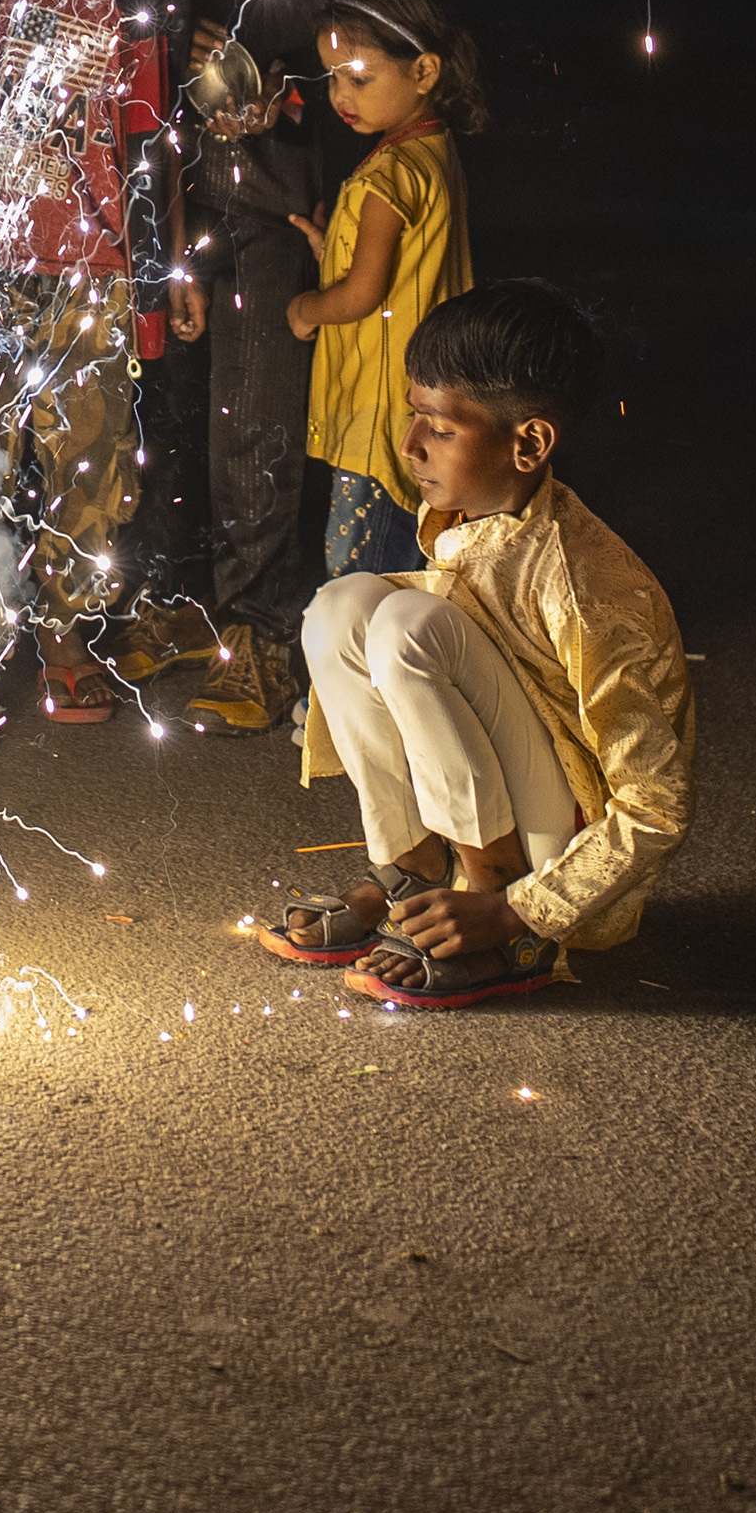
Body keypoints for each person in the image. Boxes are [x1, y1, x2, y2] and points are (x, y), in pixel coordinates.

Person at [269, 282, 695, 1013]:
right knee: (340, 605)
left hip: (561, 858)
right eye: (413, 417)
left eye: (437, 426)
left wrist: (520, 907)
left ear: (528, 442)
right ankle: (413, 872)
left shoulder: (586, 585)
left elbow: (657, 804)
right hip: (510, 786)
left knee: (409, 625)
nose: (410, 445)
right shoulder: (476, 518)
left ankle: (490, 897)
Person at [156, 0, 397, 732]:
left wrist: (285, 84)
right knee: (163, 412)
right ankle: (177, 603)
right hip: (165, 189)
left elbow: (381, 39)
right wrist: (180, 38)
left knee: (252, 415)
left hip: (273, 197)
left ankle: (257, 635)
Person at [0, 0, 198, 725]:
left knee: (91, 458)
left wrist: (170, 267)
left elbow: (154, 138)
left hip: (98, 259)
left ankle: (63, 631)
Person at [290, 0, 482, 582]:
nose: (341, 96)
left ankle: (348, 677)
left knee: (357, 571)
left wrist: (307, 308)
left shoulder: (386, 177)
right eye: (333, 79)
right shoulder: (435, 153)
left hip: (381, 412)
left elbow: (364, 293)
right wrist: (336, 249)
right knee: (411, 557)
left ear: (423, 73)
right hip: (431, 396)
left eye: (360, 79)